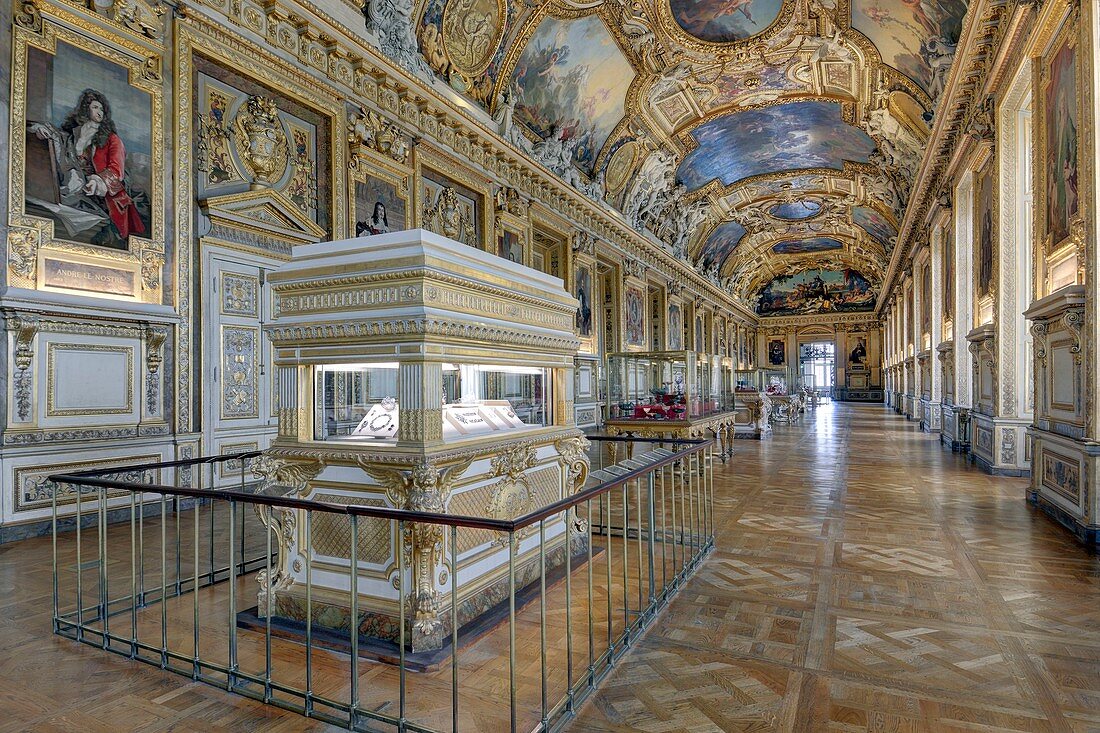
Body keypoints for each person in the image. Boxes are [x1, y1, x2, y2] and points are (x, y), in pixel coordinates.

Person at [28, 88, 145, 247]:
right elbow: (57, 139)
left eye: (102, 109)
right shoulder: (73, 134)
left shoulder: (112, 139)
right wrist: (41, 129)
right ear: (86, 109)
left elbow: (116, 170)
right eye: (95, 107)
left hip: (103, 194)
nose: (99, 111)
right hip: (75, 185)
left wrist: (97, 182)